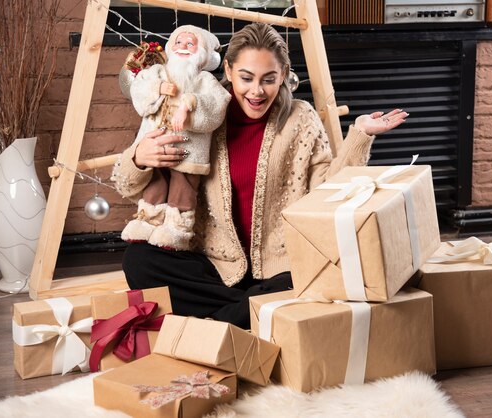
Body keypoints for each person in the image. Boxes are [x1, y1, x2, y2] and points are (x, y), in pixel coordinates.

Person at [112, 22, 408, 329]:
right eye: (246, 78)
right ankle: (253, 315)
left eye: (268, 79)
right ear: (227, 70)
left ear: (283, 75)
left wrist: (359, 135)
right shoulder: (202, 115)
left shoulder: (301, 119)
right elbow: (127, 185)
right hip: (216, 268)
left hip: (281, 271)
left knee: (310, 281)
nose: (257, 91)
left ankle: (216, 323)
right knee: (138, 259)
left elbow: (328, 192)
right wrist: (138, 158)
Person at [120, 25, 231, 251]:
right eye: (179, 43)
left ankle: (177, 230)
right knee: (155, 182)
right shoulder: (158, 72)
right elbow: (139, 88)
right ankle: (148, 220)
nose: (183, 48)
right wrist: (158, 88)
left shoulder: (205, 81)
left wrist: (190, 104)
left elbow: (217, 104)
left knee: (184, 186)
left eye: (190, 44)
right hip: (154, 146)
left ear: (201, 53)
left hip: (188, 150)